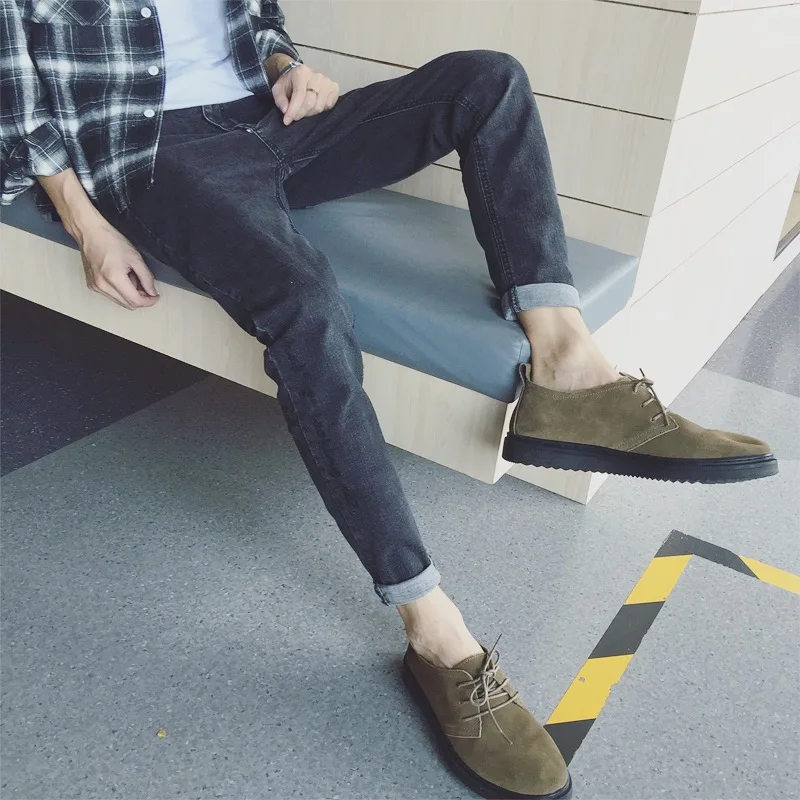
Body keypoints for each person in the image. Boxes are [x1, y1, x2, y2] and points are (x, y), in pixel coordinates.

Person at [1, 2, 777, 797]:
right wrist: (88, 225)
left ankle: (568, 370)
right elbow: (19, 103)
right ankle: (433, 631)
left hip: (267, 121)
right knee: (306, 305)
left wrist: (285, 68)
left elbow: (252, 21)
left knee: (488, 80)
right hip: (151, 153)